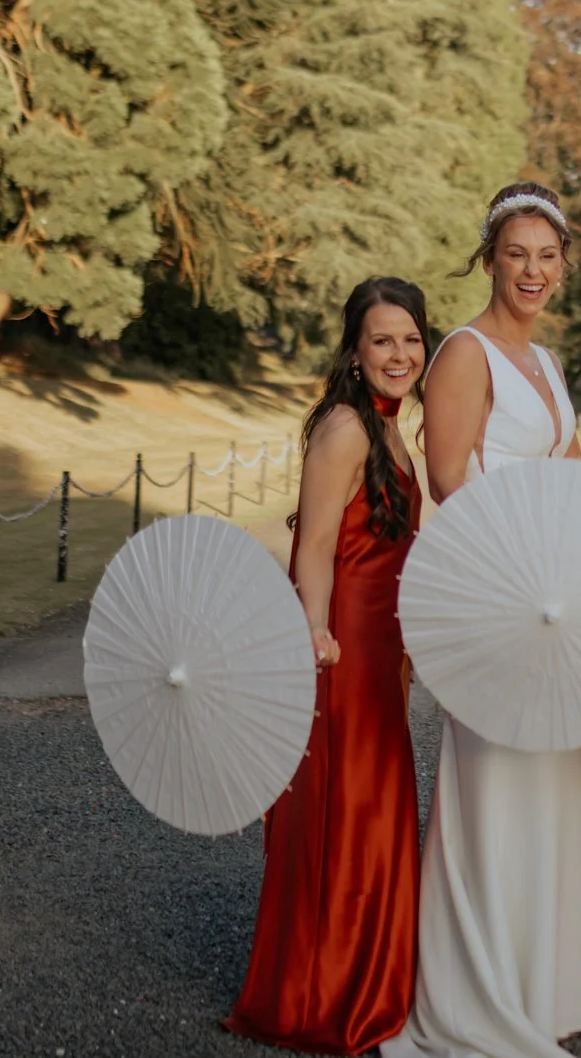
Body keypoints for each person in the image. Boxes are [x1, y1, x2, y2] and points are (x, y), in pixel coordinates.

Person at [389, 182, 581, 1058]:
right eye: (518, 253)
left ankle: (530, 992)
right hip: (493, 597)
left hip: (549, 607)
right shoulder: (464, 353)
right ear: (489, 259)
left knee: (546, 784)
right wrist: (524, 561)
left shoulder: (545, 364)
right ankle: (471, 995)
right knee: (492, 785)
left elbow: (573, 476)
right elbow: (449, 481)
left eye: (548, 255)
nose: (534, 270)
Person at [225, 277, 433, 1053]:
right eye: (382, 339)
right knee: (344, 811)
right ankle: (322, 990)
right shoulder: (346, 427)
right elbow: (312, 544)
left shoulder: (392, 429)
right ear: (355, 349)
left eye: (410, 339)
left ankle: (367, 978)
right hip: (339, 642)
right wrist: (313, 631)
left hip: (380, 645)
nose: (399, 353)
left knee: (375, 806)